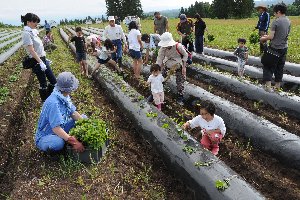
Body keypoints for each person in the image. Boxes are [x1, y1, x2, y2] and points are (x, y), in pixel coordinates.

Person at [35, 72, 85, 157]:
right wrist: (74, 142)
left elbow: (73, 113)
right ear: (69, 89)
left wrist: (87, 124)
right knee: (58, 143)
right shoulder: (53, 103)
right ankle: (53, 153)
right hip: (46, 135)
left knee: (83, 118)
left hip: (61, 126)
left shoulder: (64, 96)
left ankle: (65, 137)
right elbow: (56, 129)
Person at [21, 13, 56, 102]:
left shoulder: (33, 31)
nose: (37, 24)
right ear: (28, 22)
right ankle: (45, 101)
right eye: (35, 22)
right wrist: (40, 62)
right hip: (36, 61)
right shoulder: (26, 34)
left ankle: (49, 97)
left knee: (53, 81)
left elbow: (39, 47)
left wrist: (44, 58)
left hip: (42, 59)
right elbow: (31, 51)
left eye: (37, 22)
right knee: (43, 83)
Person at [260, 4, 291, 92]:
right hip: (284, 48)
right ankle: (277, 86)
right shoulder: (288, 21)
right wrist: (268, 36)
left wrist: (263, 38)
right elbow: (285, 34)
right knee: (279, 67)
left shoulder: (276, 21)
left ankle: (268, 88)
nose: (274, 14)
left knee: (268, 66)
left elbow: (271, 37)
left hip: (274, 48)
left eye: (275, 12)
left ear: (278, 12)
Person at [156, 32, 187, 105]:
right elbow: (159, 60)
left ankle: (180, 97)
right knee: (161, 79)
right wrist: (157, 71)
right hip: (167, 64)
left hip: (178, 65)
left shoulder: (178, 46)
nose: (166, 46)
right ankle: (156, 93)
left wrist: (184, 67)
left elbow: (185, 55)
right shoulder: (162, 49)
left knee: (180, 82)